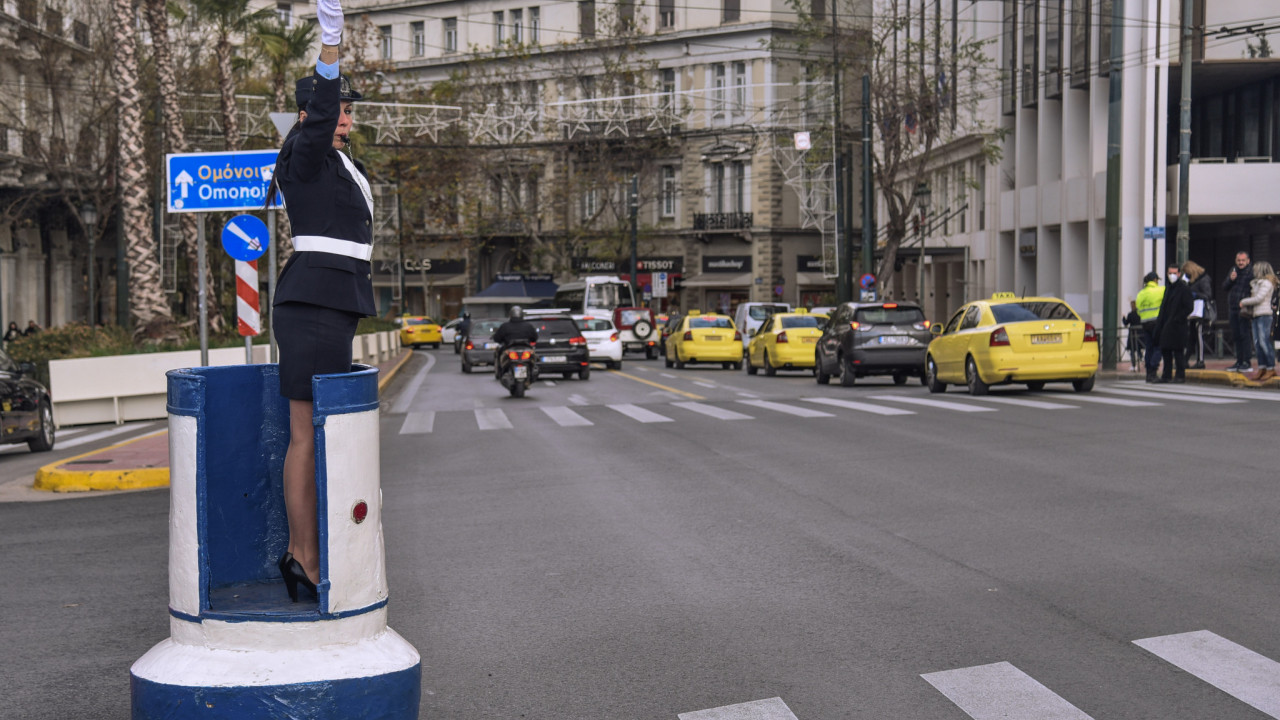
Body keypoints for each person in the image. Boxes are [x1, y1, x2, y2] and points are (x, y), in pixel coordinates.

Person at [266, 0, 372, 603]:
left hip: (333, 302)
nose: (345, 116)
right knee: (306, 433)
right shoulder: (304, 155)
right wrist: (330, 39)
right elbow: (323, 106)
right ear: (309, 115)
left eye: (350, 110)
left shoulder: (338, 163)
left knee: (319, 432)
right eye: (337, 108)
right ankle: (301, 554)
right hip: (311, 305)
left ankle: (309, 550)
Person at [1153, 263, 1193, 383]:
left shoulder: (1184, 288)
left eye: (1174, 273)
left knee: (1178, 352)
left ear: (1179, 274)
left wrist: (1178, 318)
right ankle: (1167, 375)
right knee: (1166, 351)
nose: (1172, 275)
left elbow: (1189, 307)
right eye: (1170, 273)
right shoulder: (1168, 288)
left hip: (1177, 326)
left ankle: (1180, 375)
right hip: (1167, 324)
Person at [1239, 260, 1277, 383]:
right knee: (1257, 344)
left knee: (1263, 342)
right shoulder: (1257, 283)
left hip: (1264, 315)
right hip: (1256, 315)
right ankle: (1262, 368)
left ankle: (1270, 367)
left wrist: (1244, 301)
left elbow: (1259, 298)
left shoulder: (1266, 283)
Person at [1222, 250, 1254, 372]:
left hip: (1244, 308)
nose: (1240, 263)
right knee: (1236, 335)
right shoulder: (1233, 270)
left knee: (1244, 335)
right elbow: (1225, 286)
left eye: (1243, 260)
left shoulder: (1251, 272)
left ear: (1248, 261)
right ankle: (1239, 361)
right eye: (1239, 260)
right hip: (1233, 307)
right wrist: (1231, 279)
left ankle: (1246, 361)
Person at [491, 306, 539, 378]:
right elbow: (535, 337)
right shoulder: (528, 326)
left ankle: (501, 372)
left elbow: (497, 338)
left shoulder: (505, 326)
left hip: (510, 349)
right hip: (525, 349)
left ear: (510, 315)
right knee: (534, 356)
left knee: (500, 353)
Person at [1134, 271, 1164, 383]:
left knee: (1149, 347)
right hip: (1157, 322)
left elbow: (1138, 309)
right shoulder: (1160, 290)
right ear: (1155, 280)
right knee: (1159, 346)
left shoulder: (1141, 293)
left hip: (1145, 323)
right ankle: (1153, 369)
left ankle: (1148, 374)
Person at [1182, 260, 1213, 368]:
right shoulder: (1191, 281)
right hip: (1193, 312)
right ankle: (1185, 360)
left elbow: (1208, 295)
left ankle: (1200, 360)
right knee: (1191, 337)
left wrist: (1195, 294)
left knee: (1199, 336)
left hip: (1200, 312)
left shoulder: (1203, 280)